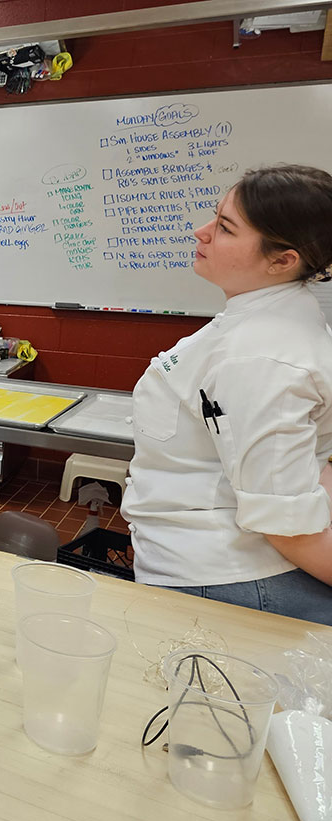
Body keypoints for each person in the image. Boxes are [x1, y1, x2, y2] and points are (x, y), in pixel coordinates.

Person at [121, 164, 332, 625]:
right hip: (214, 561)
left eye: (225, 227)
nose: (202, 232)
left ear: (283, 260)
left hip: (227, 578)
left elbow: (286, 525)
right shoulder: (263, 320)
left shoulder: (261, 357)